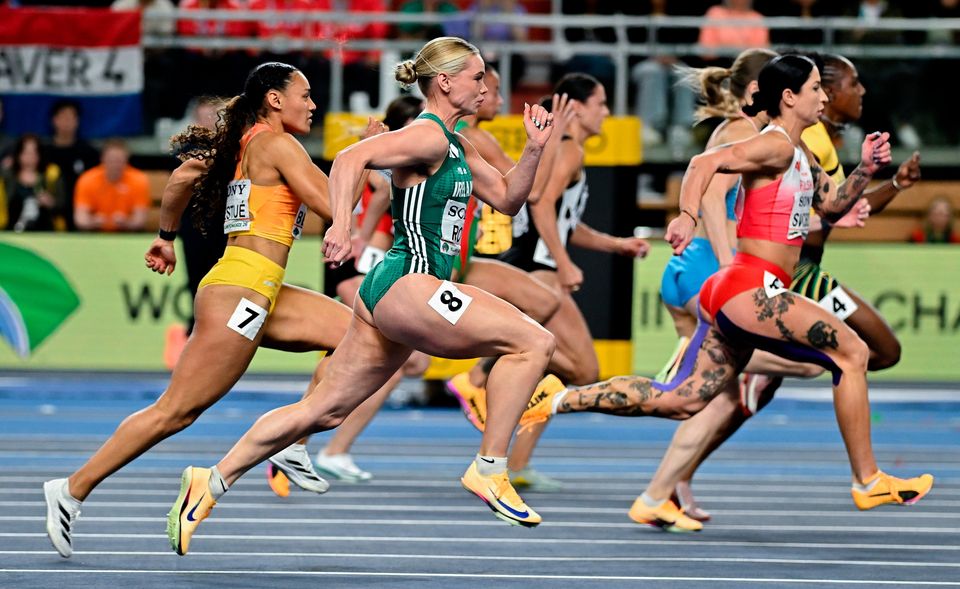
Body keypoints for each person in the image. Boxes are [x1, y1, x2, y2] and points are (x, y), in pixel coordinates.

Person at [167, 37, 558, 556]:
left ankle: (209, 481)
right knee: (533, 341)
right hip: (408, 281)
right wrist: (343, 227)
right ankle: (490, 469)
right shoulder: (427, 137)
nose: (485, 86)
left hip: (396, 294)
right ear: (444, 82)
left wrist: (534, 148)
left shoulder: (456, 145)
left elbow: (510, 199)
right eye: (477, 75)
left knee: (324, 410)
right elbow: (352, 158)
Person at [519, 55, 934, 531]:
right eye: (817, 88)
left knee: (681, 400)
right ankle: (866, 480)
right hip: (748, 286)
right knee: (853, 352)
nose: (824, 97)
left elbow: (835, 207)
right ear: (789, 97)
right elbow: (704, 163)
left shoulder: (802, 155)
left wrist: (865, 169)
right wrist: (687, 216)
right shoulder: (773, 147)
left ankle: (555, 399)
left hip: (738, 293)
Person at [43, 62, 364, 559]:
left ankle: (292, 441)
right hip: (242, 291)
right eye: (304, 94)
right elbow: (330, 204)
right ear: (275, 100)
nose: (313, 104)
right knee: (177, 410)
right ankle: (71, 489)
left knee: (361, 336)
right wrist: (363, 157)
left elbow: (178, 180)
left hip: (262, 286)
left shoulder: (237, 145)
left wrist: (165, 237)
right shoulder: (278, 145)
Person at [73, 139, 151, 232]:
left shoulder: (139, 180)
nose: (115, 165)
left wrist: (126, 222)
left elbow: (139, 220)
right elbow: (80, 219)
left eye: (119, 160)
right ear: (102, 159)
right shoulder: (87, 179)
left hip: (126, 233)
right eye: (111, 159)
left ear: (126, 159)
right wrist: (93, 221)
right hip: (95, 233)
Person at [44, 100, 100, 230]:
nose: (66, 122)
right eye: (63, 117)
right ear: (54, 120)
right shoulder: (43, 153)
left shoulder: (89, 153)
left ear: (78, 121)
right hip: (50, 214)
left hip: (82, 212)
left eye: (71, 117)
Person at [0, 134, 65, 231]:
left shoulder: (51, 175)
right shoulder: (7, 177)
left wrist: (51, 203)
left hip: (46, 231)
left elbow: (64, 204)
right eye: (26, 152)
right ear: (18, 154)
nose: (30, 157)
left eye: (34, 153)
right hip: (11, 230)